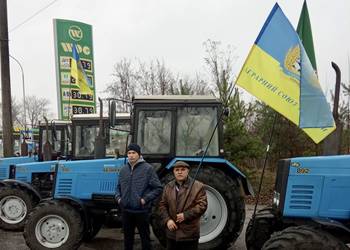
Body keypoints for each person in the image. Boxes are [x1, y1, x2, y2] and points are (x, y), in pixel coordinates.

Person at [115, 143, 163, 250]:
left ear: (139, 154)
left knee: (145, 240)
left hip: (141, 211)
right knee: (127, 240)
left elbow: (158, 188)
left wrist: (145, 200)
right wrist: (118, 198)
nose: (131, 155)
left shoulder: (148, 169)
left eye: (133, 153)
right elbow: (118, 187)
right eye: (129, 153)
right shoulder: (123, 170)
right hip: (126, 211)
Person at [159, 161, 207, 250]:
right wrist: (168, 220)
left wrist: (186, 215)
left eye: (182, 170)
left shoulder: (198, 186)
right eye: (177, 170)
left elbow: (202, 205)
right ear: (174, 172)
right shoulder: (168, 187)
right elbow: (162, 205)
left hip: (189, 234)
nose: (179, 172)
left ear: (187, 171)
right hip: (172, 233)